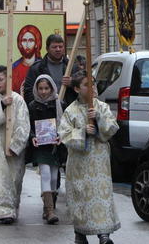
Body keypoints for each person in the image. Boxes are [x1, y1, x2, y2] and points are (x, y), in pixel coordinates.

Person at [58, 71, 120, 244]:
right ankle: (80, 233)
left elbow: (112, 128)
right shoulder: (71, 111)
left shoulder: (101, 107)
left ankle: (104, 234)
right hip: (79, 164)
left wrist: (98, 120)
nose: (92, 87)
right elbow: (64, 134)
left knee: (101, 195)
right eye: (87, 84)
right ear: (77, 88)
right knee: (80, 198)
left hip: (99, 161)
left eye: (93, 83)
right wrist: (82, 132)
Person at [0, 65, 30, 224]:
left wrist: (16, 145)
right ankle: (2, 211)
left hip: (14, 147)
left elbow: (23, 124)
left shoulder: (18, 99)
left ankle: (12, 209)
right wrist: (2, 106)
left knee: (15, 178)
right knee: (0, 178)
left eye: (1, 79)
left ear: (8, 80)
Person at [28, 74, 64, 224]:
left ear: (52, 88)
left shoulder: (59, 103)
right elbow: (28, 125)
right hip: (41, 147)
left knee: (55, 177)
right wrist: (32, 137)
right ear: (36, 89)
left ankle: (49, 206)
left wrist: (61, 135)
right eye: (40, 88)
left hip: (55, 146)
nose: (43, 92)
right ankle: (50, 210)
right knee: (45, 174)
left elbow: (64, 123)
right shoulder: (32, 106)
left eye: (46, 88)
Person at [23, 34, 78, 108]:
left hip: (68, 111)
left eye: (60, 47)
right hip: (45, 114)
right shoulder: (36, 68)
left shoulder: (72, 67)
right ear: (47, 48)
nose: (58, 49)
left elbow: (83, 89)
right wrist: (39, 109)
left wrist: (73, 83)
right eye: (54, 47)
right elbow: (28, 92)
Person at [12, 25, 42, 93]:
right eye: (24, 40)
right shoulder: (13, 69)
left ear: (37, 43)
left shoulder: (43, 66)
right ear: (20, 44)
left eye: (31, 40)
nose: (27, 45)